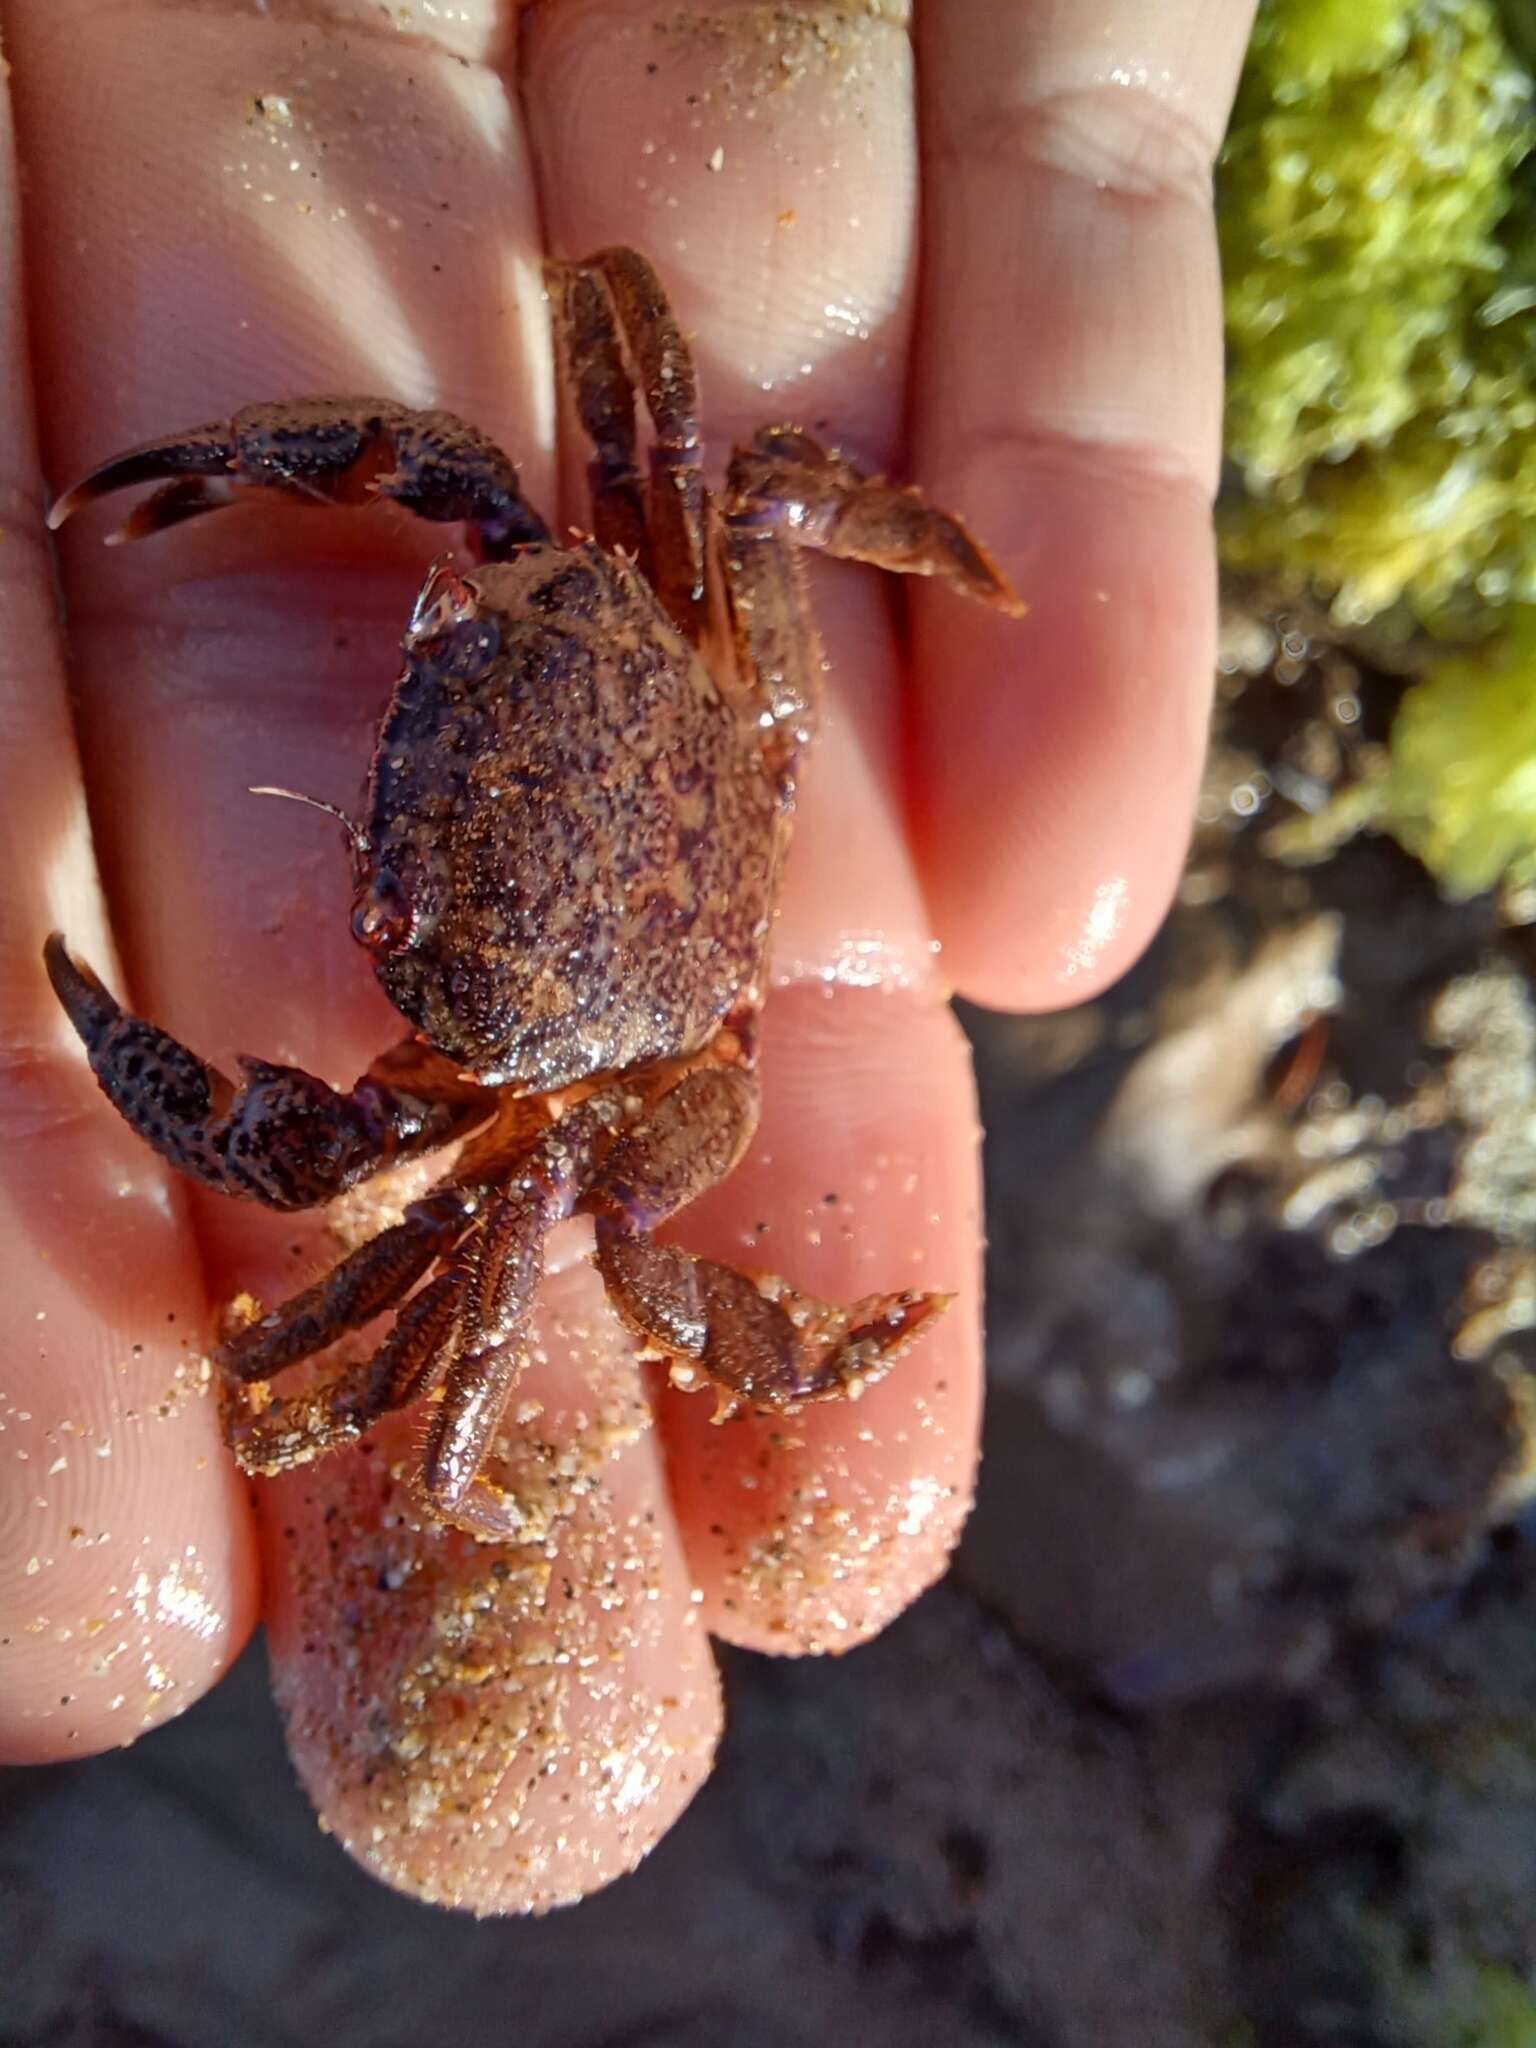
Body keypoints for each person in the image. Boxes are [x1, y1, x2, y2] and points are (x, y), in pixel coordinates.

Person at [0, 0, 1257, 1910]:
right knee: (687, 469)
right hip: (659, 784)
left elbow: (307, 1159)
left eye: (397, 929)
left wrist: (406, 1415)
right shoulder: (632, 598)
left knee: (363, 1180)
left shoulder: (576, 1116)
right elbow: (678, 423)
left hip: (633, 1018)